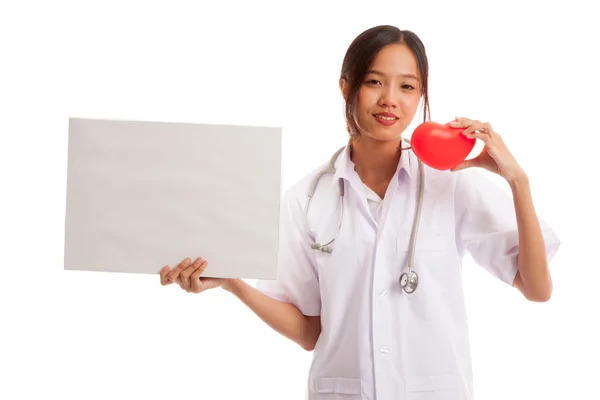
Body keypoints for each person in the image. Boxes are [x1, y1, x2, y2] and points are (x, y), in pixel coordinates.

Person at [159, 25, 561, 400]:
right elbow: (309, 332)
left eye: (407, 86)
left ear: (420, 97)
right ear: (346, 86)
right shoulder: (307, 199)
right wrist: (233, 283)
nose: (390, 99)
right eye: (374, 82)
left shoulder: (450, 183)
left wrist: (518, 181)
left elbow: (537, 288)